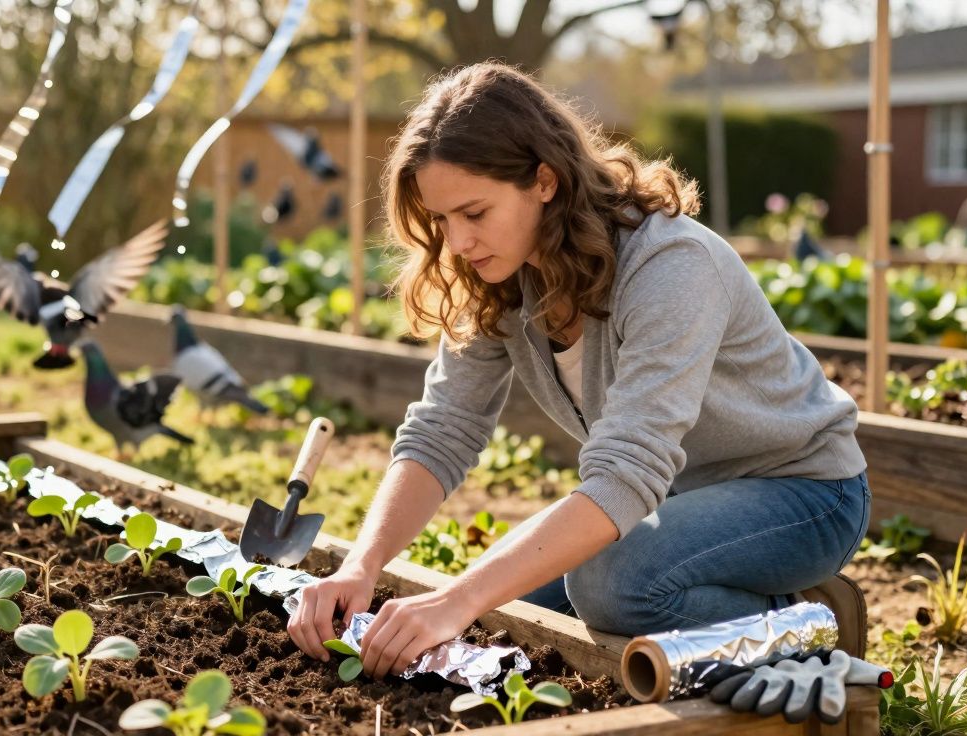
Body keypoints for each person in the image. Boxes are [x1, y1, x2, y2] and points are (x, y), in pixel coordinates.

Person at [286, 62, 870, 681]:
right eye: (441, 220)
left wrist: (455, 600)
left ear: (544, 180)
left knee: (609, 584)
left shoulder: (670, 265)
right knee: (512, 613)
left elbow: (626, 471)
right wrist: (362, 563)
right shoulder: (501, 275)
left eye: (475, 212)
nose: (455, 241)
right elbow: (443, 428)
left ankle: (807, 624)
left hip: (803, 493)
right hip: (679, 497)